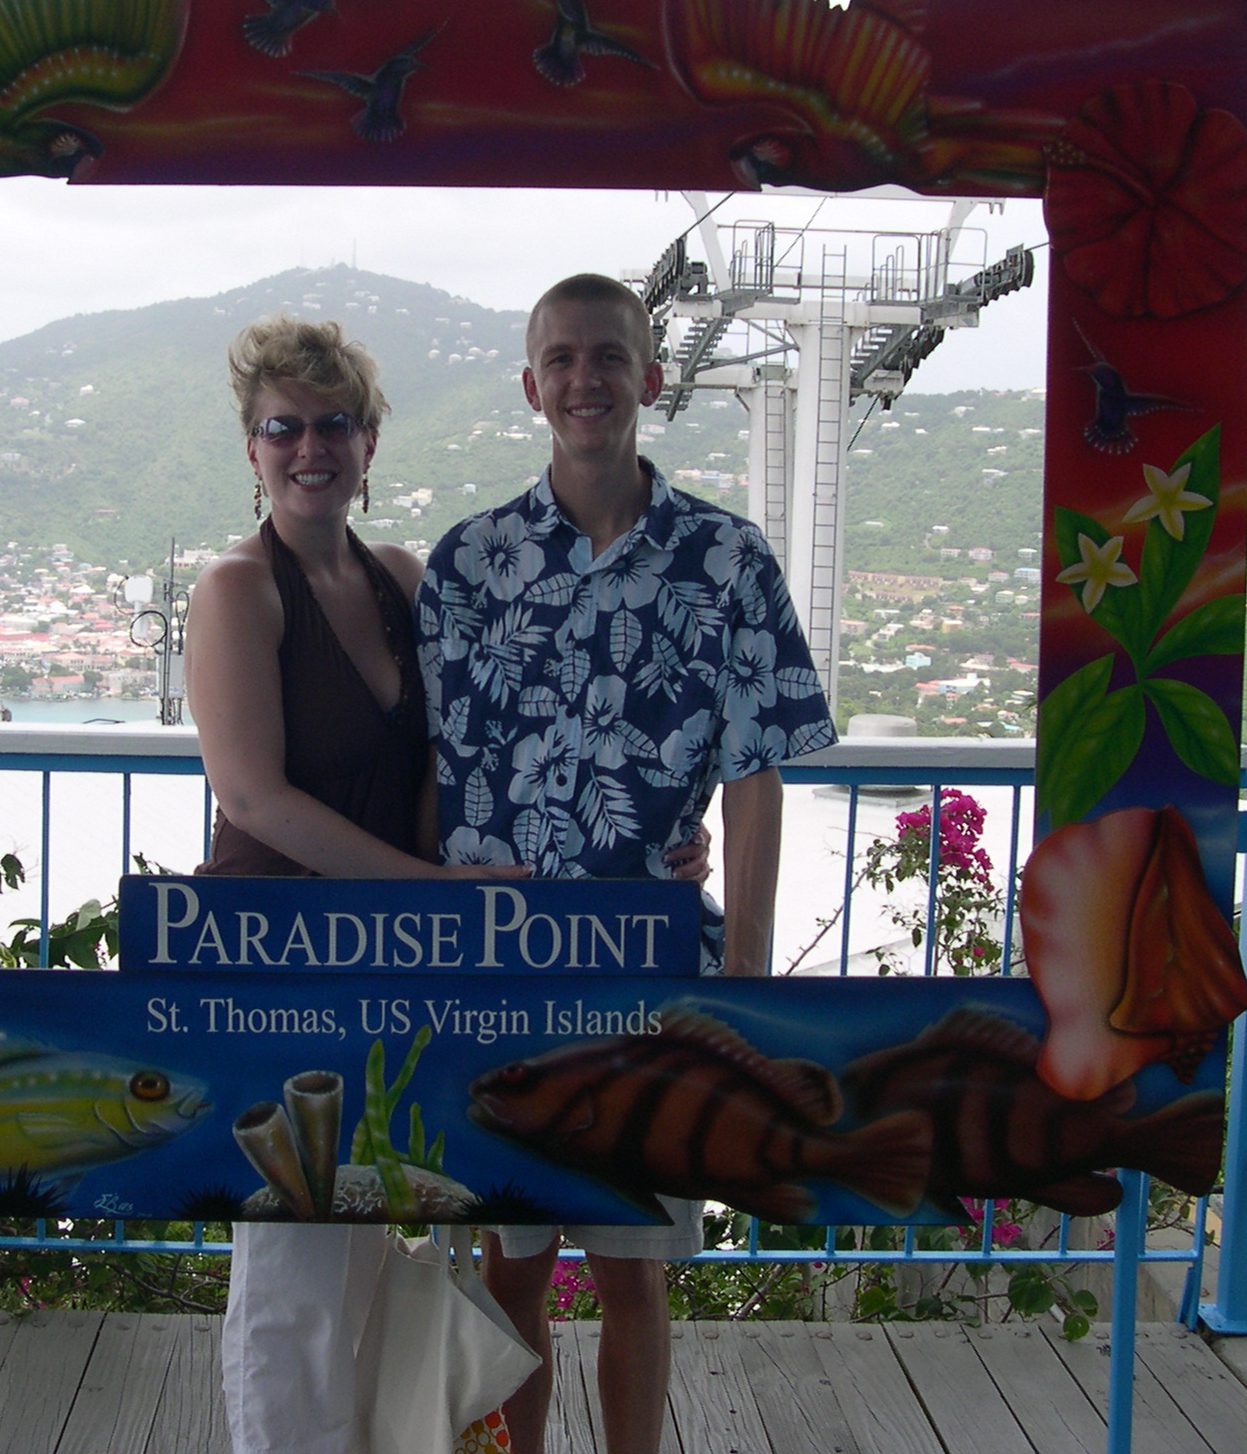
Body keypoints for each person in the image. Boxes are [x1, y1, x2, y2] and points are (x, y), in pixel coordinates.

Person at [187, 313, 708, 1454]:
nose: (310, 447)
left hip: (388, 969)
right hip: (275, 970)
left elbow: (489, 752)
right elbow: (254, 801)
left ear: (370, 443)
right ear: (251, 445)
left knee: (372, 1258)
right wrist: (430, 890)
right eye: (285, 427)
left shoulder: (400, 580)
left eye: (334, 424)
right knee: (291, 1280)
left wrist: (661, 833)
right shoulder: (237, 591)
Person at [418, 272, 837, 1454]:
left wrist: (741, 978)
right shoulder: (468, 565)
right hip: (498, 976)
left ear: (653, 378)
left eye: (608, 355)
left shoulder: (728, 562)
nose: (584, 378)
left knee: (631, 1269)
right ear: (530, 385)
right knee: (509, 1267)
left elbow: (756, 774)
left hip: (654, 975)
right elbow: (430, 775)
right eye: (560, 357)